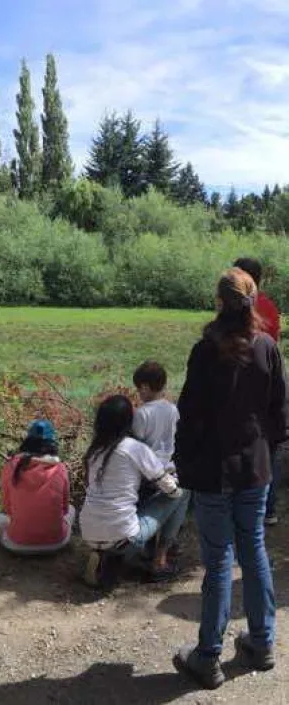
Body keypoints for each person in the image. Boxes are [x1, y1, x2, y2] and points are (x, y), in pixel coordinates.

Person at [173, 267, 288, 690]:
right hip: (254, 468)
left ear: (219, 302)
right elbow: (280, 413)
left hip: (213, 470)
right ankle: (261, 642)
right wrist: (266, 452)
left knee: (220, 560)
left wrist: (182, 461)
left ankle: (208, 657)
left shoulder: (206, 351)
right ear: (253, 303)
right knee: (253, 547)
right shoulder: (268, 348)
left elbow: (191, 414)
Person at [80, 395, 190, 589]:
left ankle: (102, 555)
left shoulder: (93, 451)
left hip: (88, 530)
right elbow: (168, 487)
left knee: (126, 509)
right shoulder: (134, 448)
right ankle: (160, 560)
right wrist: (170, 487)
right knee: (183, 491)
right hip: (123, 535)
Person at [233, 258, 284, 526]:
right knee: (268, 444)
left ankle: (250, 504)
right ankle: (268, 508)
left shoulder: (245, 307)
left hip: (245, 382)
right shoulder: (271, 307)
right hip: (267, 381)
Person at [0, 420, 74, 555]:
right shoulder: (60, 468)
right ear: (52, 443)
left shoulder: (12, 466)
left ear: (28, 441)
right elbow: (65, 509)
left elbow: (7, 509)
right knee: (72, 509)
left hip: (17, 545)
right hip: (57, 543)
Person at [132, 361, 179, 471]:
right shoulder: (172, 409)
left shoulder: (142, 413)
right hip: (169, 465)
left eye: (138, 389)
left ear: (144, 387)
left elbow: (136, 444)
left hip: (148, 467)